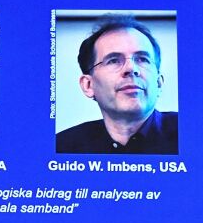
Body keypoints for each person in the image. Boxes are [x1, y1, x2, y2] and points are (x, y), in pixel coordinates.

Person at [56, 14, 177, 154]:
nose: (131, 69)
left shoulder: (194, 133)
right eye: (113, 60)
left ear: (158, 83)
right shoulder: (62, 147)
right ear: (88, 85)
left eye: (142, 59)